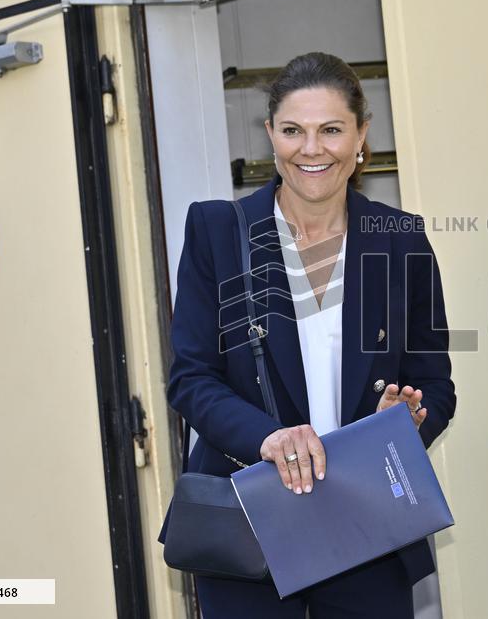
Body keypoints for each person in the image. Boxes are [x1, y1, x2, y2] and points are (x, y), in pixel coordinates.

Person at [160, 52, 456, 618]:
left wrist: (408, 420)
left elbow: (435, 384)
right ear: (270, 133)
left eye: (331, 130)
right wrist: (266, 439)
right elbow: (191, 378)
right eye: (293, 130)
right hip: (247, 525)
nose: (311, 149)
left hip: (367, 527)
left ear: (362, 134)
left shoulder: (401, 240)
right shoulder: (217, 230)